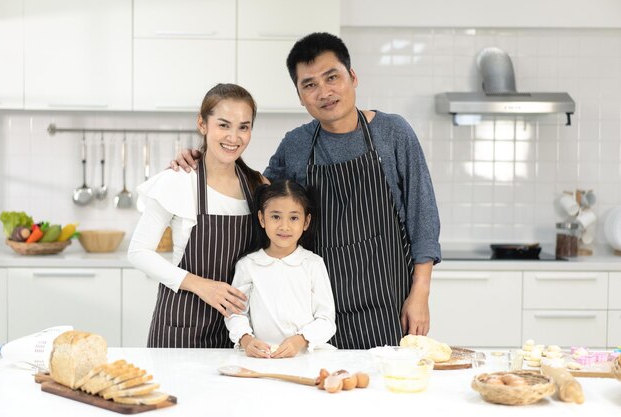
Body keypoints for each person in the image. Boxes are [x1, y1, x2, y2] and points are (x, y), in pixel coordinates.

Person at [171, 33, 441, 349]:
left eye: (332, 77)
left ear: (352, 77)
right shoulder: (296, 144)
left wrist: (420, 293)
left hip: (389, 301)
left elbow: (422, 216)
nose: (324, 92)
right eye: (309, 84)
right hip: (315, 311)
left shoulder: (392, 133)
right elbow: (256, 194)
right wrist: (203, 160)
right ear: (299, 95)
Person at [128, 83, 267, 348]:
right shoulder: (179, 180)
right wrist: (201, 285)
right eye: (223, 125)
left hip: (241, 331)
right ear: (202, 124)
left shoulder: (258, 185)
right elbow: (138, 252)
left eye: (244, 127)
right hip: (182, 327)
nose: (233, 137)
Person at [225, 180, 336, 358]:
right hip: (261, 358)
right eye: (275, 217)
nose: (284, 226)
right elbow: (235, 313)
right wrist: (246, 341)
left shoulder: (313, 264)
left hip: (306, 358)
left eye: (293, 218)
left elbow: (326, 320)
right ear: (262, 219)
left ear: (306, 222)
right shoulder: (248, 265)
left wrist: (300, 340)